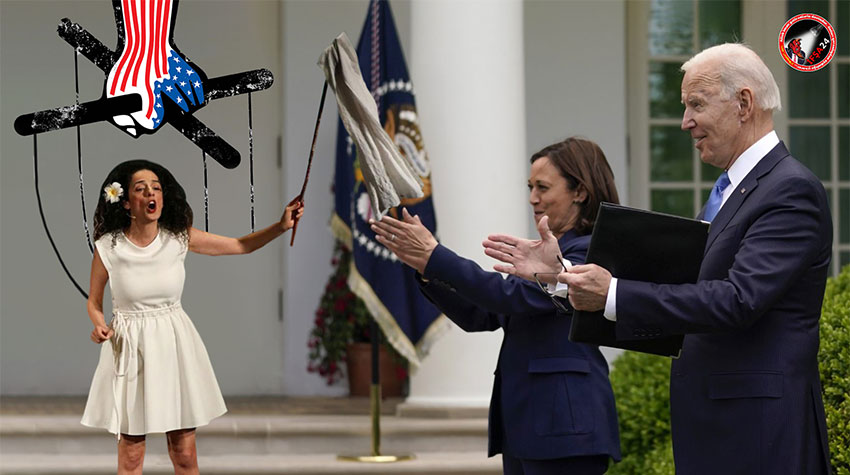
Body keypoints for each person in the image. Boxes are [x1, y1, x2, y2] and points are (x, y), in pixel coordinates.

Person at [485, 44, 832, 474]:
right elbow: (688, 292)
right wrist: (563, 276)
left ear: (744, 103)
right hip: (722, 429)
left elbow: (736, 300)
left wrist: (613, 294)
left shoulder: (789, 189)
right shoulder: (732, 191)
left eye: (696, 104)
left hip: (761, 434)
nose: (685, 122)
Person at [371, 137, 622, 474]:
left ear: (579, 191)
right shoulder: (547, 251)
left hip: (565, 426)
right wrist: (428, 271)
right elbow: (484, 314)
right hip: (527, 426)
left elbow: (507, 296)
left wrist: (436, 257)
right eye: (530, 187)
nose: (532, 198)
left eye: (543, 187)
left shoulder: (589, 251)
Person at [80, 159, 304, 475]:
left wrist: (281, 226)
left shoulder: (178, 238)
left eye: (156, 188)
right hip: (129, 347)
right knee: (131, 456)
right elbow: (94, 302)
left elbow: (240, 245)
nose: (150, 193)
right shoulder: (108, 246)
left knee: (184, 454)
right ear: (126, 201)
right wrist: (99, 324)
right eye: (141, 189)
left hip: (173, 344)